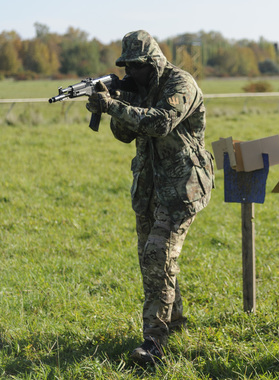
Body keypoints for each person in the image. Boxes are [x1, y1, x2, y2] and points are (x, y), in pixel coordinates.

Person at [86, 30, 214, 365]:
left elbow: (160, 123)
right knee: (153, 259)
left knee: (158, 255)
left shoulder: (179, 84)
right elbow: (124, 134)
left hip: (183, 187)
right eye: (126, 68)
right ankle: (174, 322)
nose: (131, 73)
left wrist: (113, 104)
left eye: (137, 67)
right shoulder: (137, 88)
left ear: (153, 62)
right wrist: (115, 102)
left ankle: (153, 343)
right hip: (149, 188)